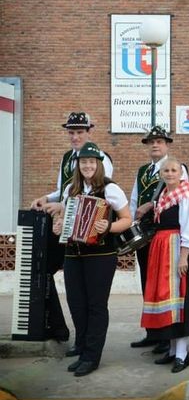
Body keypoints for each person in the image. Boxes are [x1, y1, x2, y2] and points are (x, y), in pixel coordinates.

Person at [31, 112, 114, 343]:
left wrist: (62, 206)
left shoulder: (100, 157)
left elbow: (98, 194)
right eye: (71, 132)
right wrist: (46, 198)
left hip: (89, 233)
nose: (75, 137)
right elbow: (64, 190)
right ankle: (57, 326)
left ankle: (82, 340)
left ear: (89, 132)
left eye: (79, 132)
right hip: (66, 226)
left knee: (88, 295)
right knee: (44, 270)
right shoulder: (67, 157)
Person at [50, 142, 131, 377]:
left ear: (98, 165)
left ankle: (91, 357)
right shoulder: (71, 189)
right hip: (73, 254)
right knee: (76, 303)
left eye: (91, 162)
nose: (87, 166)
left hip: (101, 255)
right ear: (78, 165)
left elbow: (127, 219)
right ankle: (83, 347)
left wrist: (109, 226)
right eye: (83, 162)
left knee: (96, 305)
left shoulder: (110, 189)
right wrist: (58, 225)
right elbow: (63, 217)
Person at [129, 126, 188, 353]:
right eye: (151, 142)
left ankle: (166, 335)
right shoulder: (142, 170)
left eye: (160, 141)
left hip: (164, 233)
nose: (155, 145)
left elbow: (181, 196)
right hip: (145, 234)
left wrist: (151, 204)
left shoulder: (176, 168)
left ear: (167, 145)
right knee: (148, 282)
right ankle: (152, 332)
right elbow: (134, 200)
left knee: (165, 285)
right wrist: (133, 225)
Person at [140, 158, 189, 373]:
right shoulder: (164, 195)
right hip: (162, 249)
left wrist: (184, 257)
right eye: (166, 170)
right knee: (167, 298)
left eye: (174, 170)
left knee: (179, 299)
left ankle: (182, 354)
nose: (169, 173)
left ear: (181, 173)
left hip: (176, 249)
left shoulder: (186, 196)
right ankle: (174, 350)